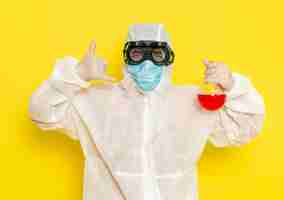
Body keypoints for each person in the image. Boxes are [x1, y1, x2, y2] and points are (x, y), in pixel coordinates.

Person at [29, 24, 265, 200]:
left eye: (158, 54)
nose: (147, 63)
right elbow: (41, 112)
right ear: (126, 58)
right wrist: (77, 75)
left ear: (169, 59)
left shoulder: (192, 103)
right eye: (137, 54)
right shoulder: (95, 101)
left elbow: (246, 127)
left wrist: (231, 85)